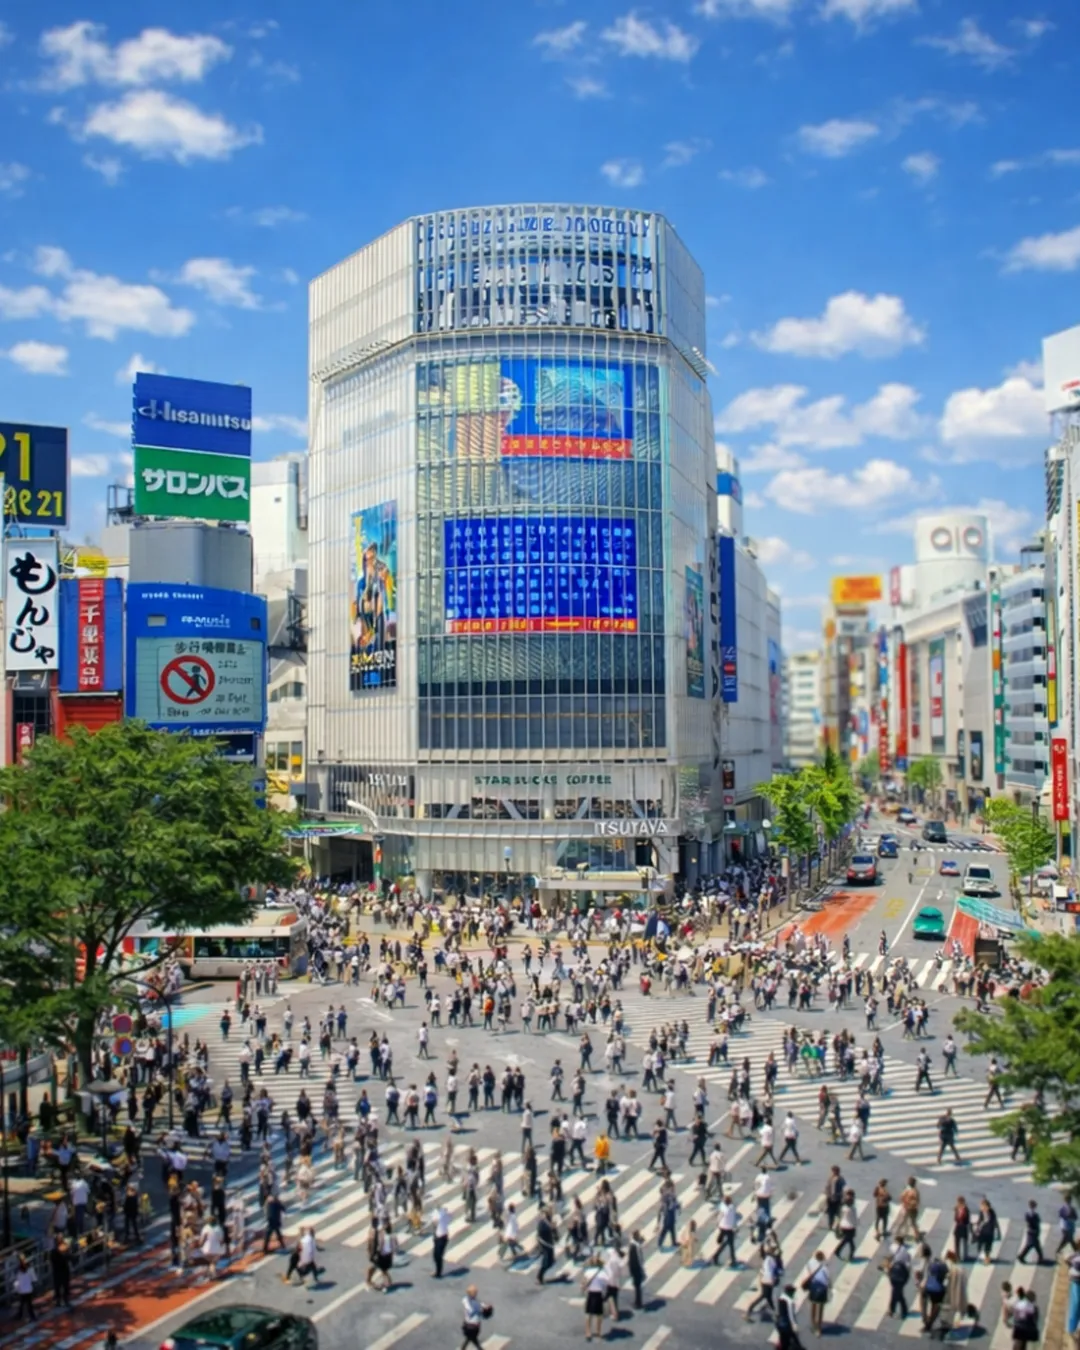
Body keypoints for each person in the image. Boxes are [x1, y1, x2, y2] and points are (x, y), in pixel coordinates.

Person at [582, 1256, 608, 1342]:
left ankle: (588, 1331)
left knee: (588, 1314)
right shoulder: (603, 1273)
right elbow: (605, 1284)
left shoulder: (588, 1272)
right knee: (599, 1315)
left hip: (590, 1294)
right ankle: (598, 1331)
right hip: (598, 1294)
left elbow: (583, 1283)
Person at [804, 1250, 830, 1336]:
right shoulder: (824, 1267)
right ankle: (819, 1328)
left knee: (813, 1305)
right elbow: (828, 1279)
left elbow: (809, 1267)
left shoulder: (811, 1263)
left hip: (814, 1286)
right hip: (822, 1288)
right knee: (821, 1308)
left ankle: (813, 1324)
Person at [460, 1283, 489, 1350]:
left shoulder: (465, 1300)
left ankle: (463, 1348)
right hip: (474, 1326)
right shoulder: (477, 1304)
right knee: (473, 1339)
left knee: (469, 1338)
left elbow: (478, 1305)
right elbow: (477, 1309)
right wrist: (484, 1308)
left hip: (467, 1325)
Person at [775, 1284, 803, 1350]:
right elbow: (791, 1315)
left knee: (784, 1339)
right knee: (788, 1340)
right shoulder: (790, 1301)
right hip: (786, 1324)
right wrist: (794, 1324)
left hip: (779, 1323)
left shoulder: (781, 1297)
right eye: (793, 1292)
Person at [1017, 1201, 1044, 1265]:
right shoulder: (1034, 1214)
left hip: (1030, 1231)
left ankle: (1040, 1258)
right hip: (1033, 1231)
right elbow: (1037, 1221)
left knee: (1034, 1245)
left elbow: (1028, 1220)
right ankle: (1021, 1256)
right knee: (1032, 1245)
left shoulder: (1027, 1213)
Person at [627, 1229, 646, 1310]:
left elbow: (634, 1260)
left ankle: (638, 1303)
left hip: (636, 1269)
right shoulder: (636, 1245)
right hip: (638, 1269)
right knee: (638, 1286)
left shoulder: (633, 1247)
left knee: (637, 1287)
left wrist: (632, 1271)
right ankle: (638, 1302)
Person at [14, 1255, 36, 1320]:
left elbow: (16, 1280)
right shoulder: (30, 1269)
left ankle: (20, 1315)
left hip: (21, 1290)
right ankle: (32, 1316)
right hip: (28, 1289)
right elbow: (34, 1279)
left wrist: (17, 1289)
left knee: (22, 1303)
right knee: (29, 1304)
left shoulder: (18, 1271)